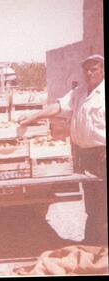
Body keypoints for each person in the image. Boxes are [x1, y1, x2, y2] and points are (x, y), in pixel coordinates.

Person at [19, 54, 107, 245]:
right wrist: (32, 117)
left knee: (104, 202)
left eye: (95, 69)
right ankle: (91, 243)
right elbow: (56, 108)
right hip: (86, 155)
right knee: (92, 203)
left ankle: (101, 247)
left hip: (102, 154)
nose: (90, 72)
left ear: (103, 70)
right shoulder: (79, 93)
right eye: (87, 69)